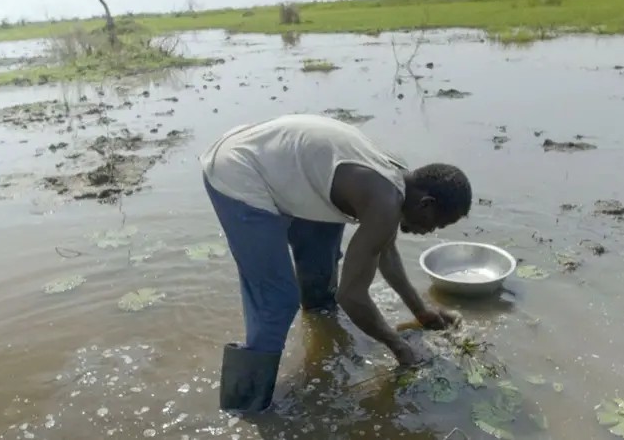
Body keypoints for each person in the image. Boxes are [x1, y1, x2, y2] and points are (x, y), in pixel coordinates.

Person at [199, 113, 472, 413]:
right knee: (277, 299)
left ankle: (318, 316)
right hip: (239, 171)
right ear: (426, 204)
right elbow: (352, 297)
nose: (428, 232)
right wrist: (398, 346)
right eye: (435, 224)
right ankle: (246, 405)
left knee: (322, 259)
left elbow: (385, 251)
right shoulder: (384, 201)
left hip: (284, 164)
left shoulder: (397, 180)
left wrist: (422, 312)